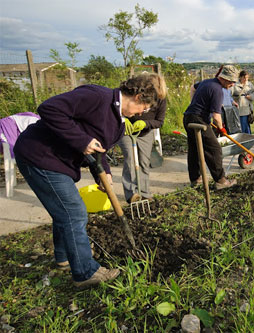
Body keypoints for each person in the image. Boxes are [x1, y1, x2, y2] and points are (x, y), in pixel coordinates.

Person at [13, 73, 166, 289]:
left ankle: (64, 256)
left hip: (57, 162)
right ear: (138, 97)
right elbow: (48, 108)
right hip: (39, 155)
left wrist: (103, 173)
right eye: (145, 108)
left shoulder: (118, 125)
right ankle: (85, 272)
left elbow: (99, 150)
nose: (142, 113)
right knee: (73, 212)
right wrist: (82, 140)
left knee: (64, 209)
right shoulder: (97, 97)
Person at [183, 64, 239, 190]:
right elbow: (216, 116)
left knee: (194, 150)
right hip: (199, 121)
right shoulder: (218, 90)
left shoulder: (207, 82)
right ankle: (221, 181)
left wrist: (194, 104)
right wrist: (221, 129)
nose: (232, 84)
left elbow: (193, 88)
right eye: (231, 81)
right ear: (224, 79)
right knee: (214, 149)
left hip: (188, 117)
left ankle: (195, 180)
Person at [119, 81, 167, 203]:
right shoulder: (135, 94)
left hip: (145, 133)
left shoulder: (161, 99)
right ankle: (132, 194)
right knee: (130, 160)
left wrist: (145, 123)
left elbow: (159, 122)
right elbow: (118, 107)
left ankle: (144, 193)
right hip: (127, 131)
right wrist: (124, 119)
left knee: (144, 162)